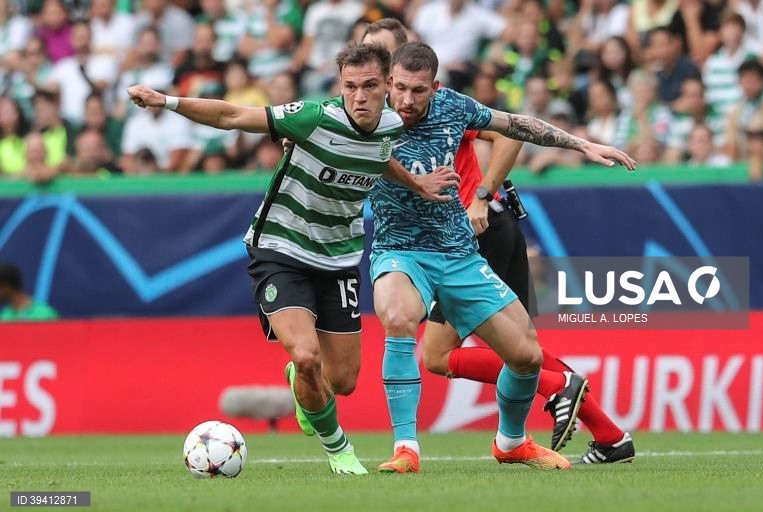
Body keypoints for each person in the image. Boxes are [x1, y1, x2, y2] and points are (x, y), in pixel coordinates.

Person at [127, 43, 457, 475]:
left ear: (388, 88)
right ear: (341, 86)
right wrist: (165, 101)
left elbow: (379, 155)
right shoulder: (314, 118)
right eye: (350, 86)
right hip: (281, 248)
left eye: (370, 86)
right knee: (306, 355)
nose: (359, 96)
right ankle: (339, 449)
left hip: (338, 257)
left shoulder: (392, 125)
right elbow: (231, 116)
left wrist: (415, 182)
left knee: (343, 381)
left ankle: (301, 385)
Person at [363, 18, 635, 469]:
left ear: (427, 79)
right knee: (414, 329)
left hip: (474, 233)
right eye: (393, 84)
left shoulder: (450, 107)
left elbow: (512, 128)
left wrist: (485, 194)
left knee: (504, 351)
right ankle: (409, 448)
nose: (400, 95)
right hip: (411, 247)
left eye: (378, 53)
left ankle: (538, 413)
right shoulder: (367, 109)